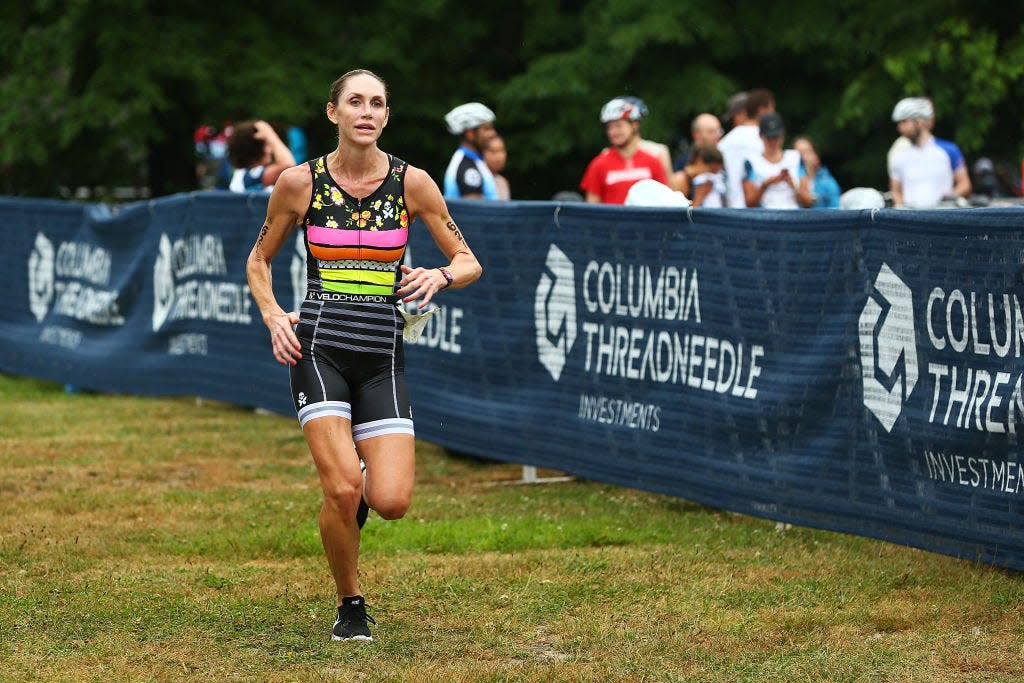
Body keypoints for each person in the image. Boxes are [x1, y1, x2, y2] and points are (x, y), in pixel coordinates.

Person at [245, 69, 482, 643]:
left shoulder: (413, 183)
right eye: (355, 102)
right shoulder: (298, 184)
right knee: (343, 489)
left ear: (385, 116)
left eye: (377, 103)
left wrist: (441, 274)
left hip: (383, 353)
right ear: (334, 113)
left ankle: (356, 475)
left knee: (392, 501)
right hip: (318, 348)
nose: (367, 111)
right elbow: (259, 261)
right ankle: (350, 600)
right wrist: (276, 316)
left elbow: (470, 260)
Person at [579, 97, 669, 204]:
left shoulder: (652, 161)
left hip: (645, 220)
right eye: (609, 127)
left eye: (618, 126)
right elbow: (591, 209)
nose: (613, 132)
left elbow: (665, 202)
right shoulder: (598, 164)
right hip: (611, 220)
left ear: (634, 125)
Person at [887, 97, 971, 201]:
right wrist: (901, 210)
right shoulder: (898, 157)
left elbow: (964, 184)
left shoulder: (949, 150)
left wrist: (947, 200)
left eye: (904, 121)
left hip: (941, 215)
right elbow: (896, 190)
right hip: (910, 216)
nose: (899, 127)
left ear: (920, 122)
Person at [742, 113, 813, 209]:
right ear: (760, 136)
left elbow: (808, 201)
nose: (773, 142)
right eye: (769, 138)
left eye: (776, 137)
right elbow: (749, 204)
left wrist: (792, 184)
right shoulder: (751, 162)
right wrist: (765, 185)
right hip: (765, 218)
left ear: (783, 135)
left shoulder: (795, 158)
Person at [719, 88, 776, 207]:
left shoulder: (724, 142)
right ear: (762, 110)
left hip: (728, 210)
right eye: (772, 109)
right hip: (758, 209)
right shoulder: (766, 141)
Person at [442, 102, 499, 200]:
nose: (493, 133)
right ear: (470, 133)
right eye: (487, 129)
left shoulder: (473, 161)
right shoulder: (467, 168)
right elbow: (474, 212)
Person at [225, 120, 296, 193]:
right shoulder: (250, 175)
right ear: (255, 148)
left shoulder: (241, 174)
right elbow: (288, 167)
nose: (271, 150)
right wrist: (269, 133)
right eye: (267, 144)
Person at [671, 112, 724, 194]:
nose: (717, 135)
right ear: (696, 135)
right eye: (711, 131)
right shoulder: (684, 161)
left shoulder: (725, 157)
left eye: (719, 131)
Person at [792, 136, 841, 208]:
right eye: (798, 153)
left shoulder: (828, 182)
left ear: (815, 155)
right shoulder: (790, 177)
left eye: (806, 152)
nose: (803, 157)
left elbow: (835, 209)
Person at [482, 134, 510, 200]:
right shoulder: (475, 179)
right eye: (494, 151)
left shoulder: (502, 182)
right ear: (482, 153)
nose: (500, 157)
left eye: (502, 150)